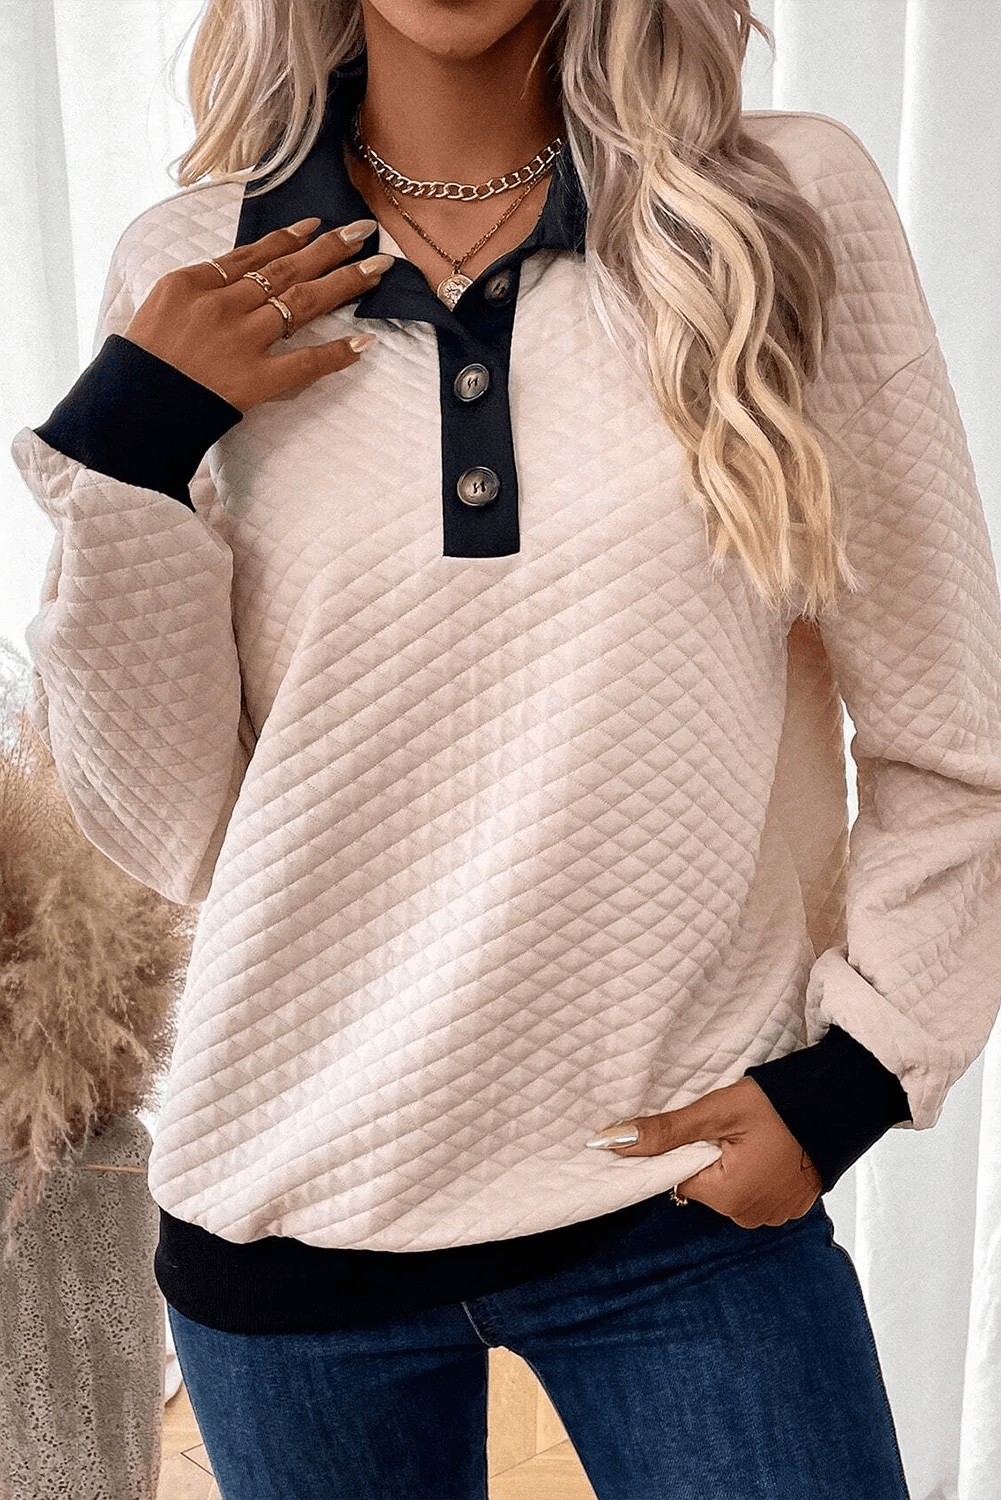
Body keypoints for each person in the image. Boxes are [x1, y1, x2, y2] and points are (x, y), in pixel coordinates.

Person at [10, 0, 1001, 1496]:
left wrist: (860, 1076)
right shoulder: (198, 267)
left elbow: (954, 730)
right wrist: (125, 446)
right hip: (293, 1216)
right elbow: (173, 829)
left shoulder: (775, 210)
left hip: (681, 1206)